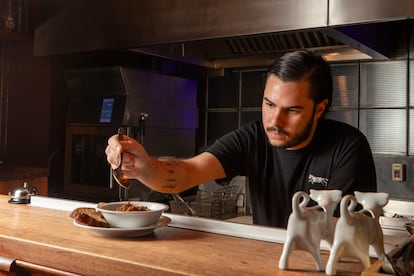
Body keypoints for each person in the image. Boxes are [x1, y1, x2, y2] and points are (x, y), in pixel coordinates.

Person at [105, 50, 377, 228]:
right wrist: (144, 167)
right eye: (269, 104)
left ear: (319, 109)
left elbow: (345, 233)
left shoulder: (348, 147)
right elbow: (189, 171)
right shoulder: (253, 137)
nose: (274, 121)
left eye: (292, 110)